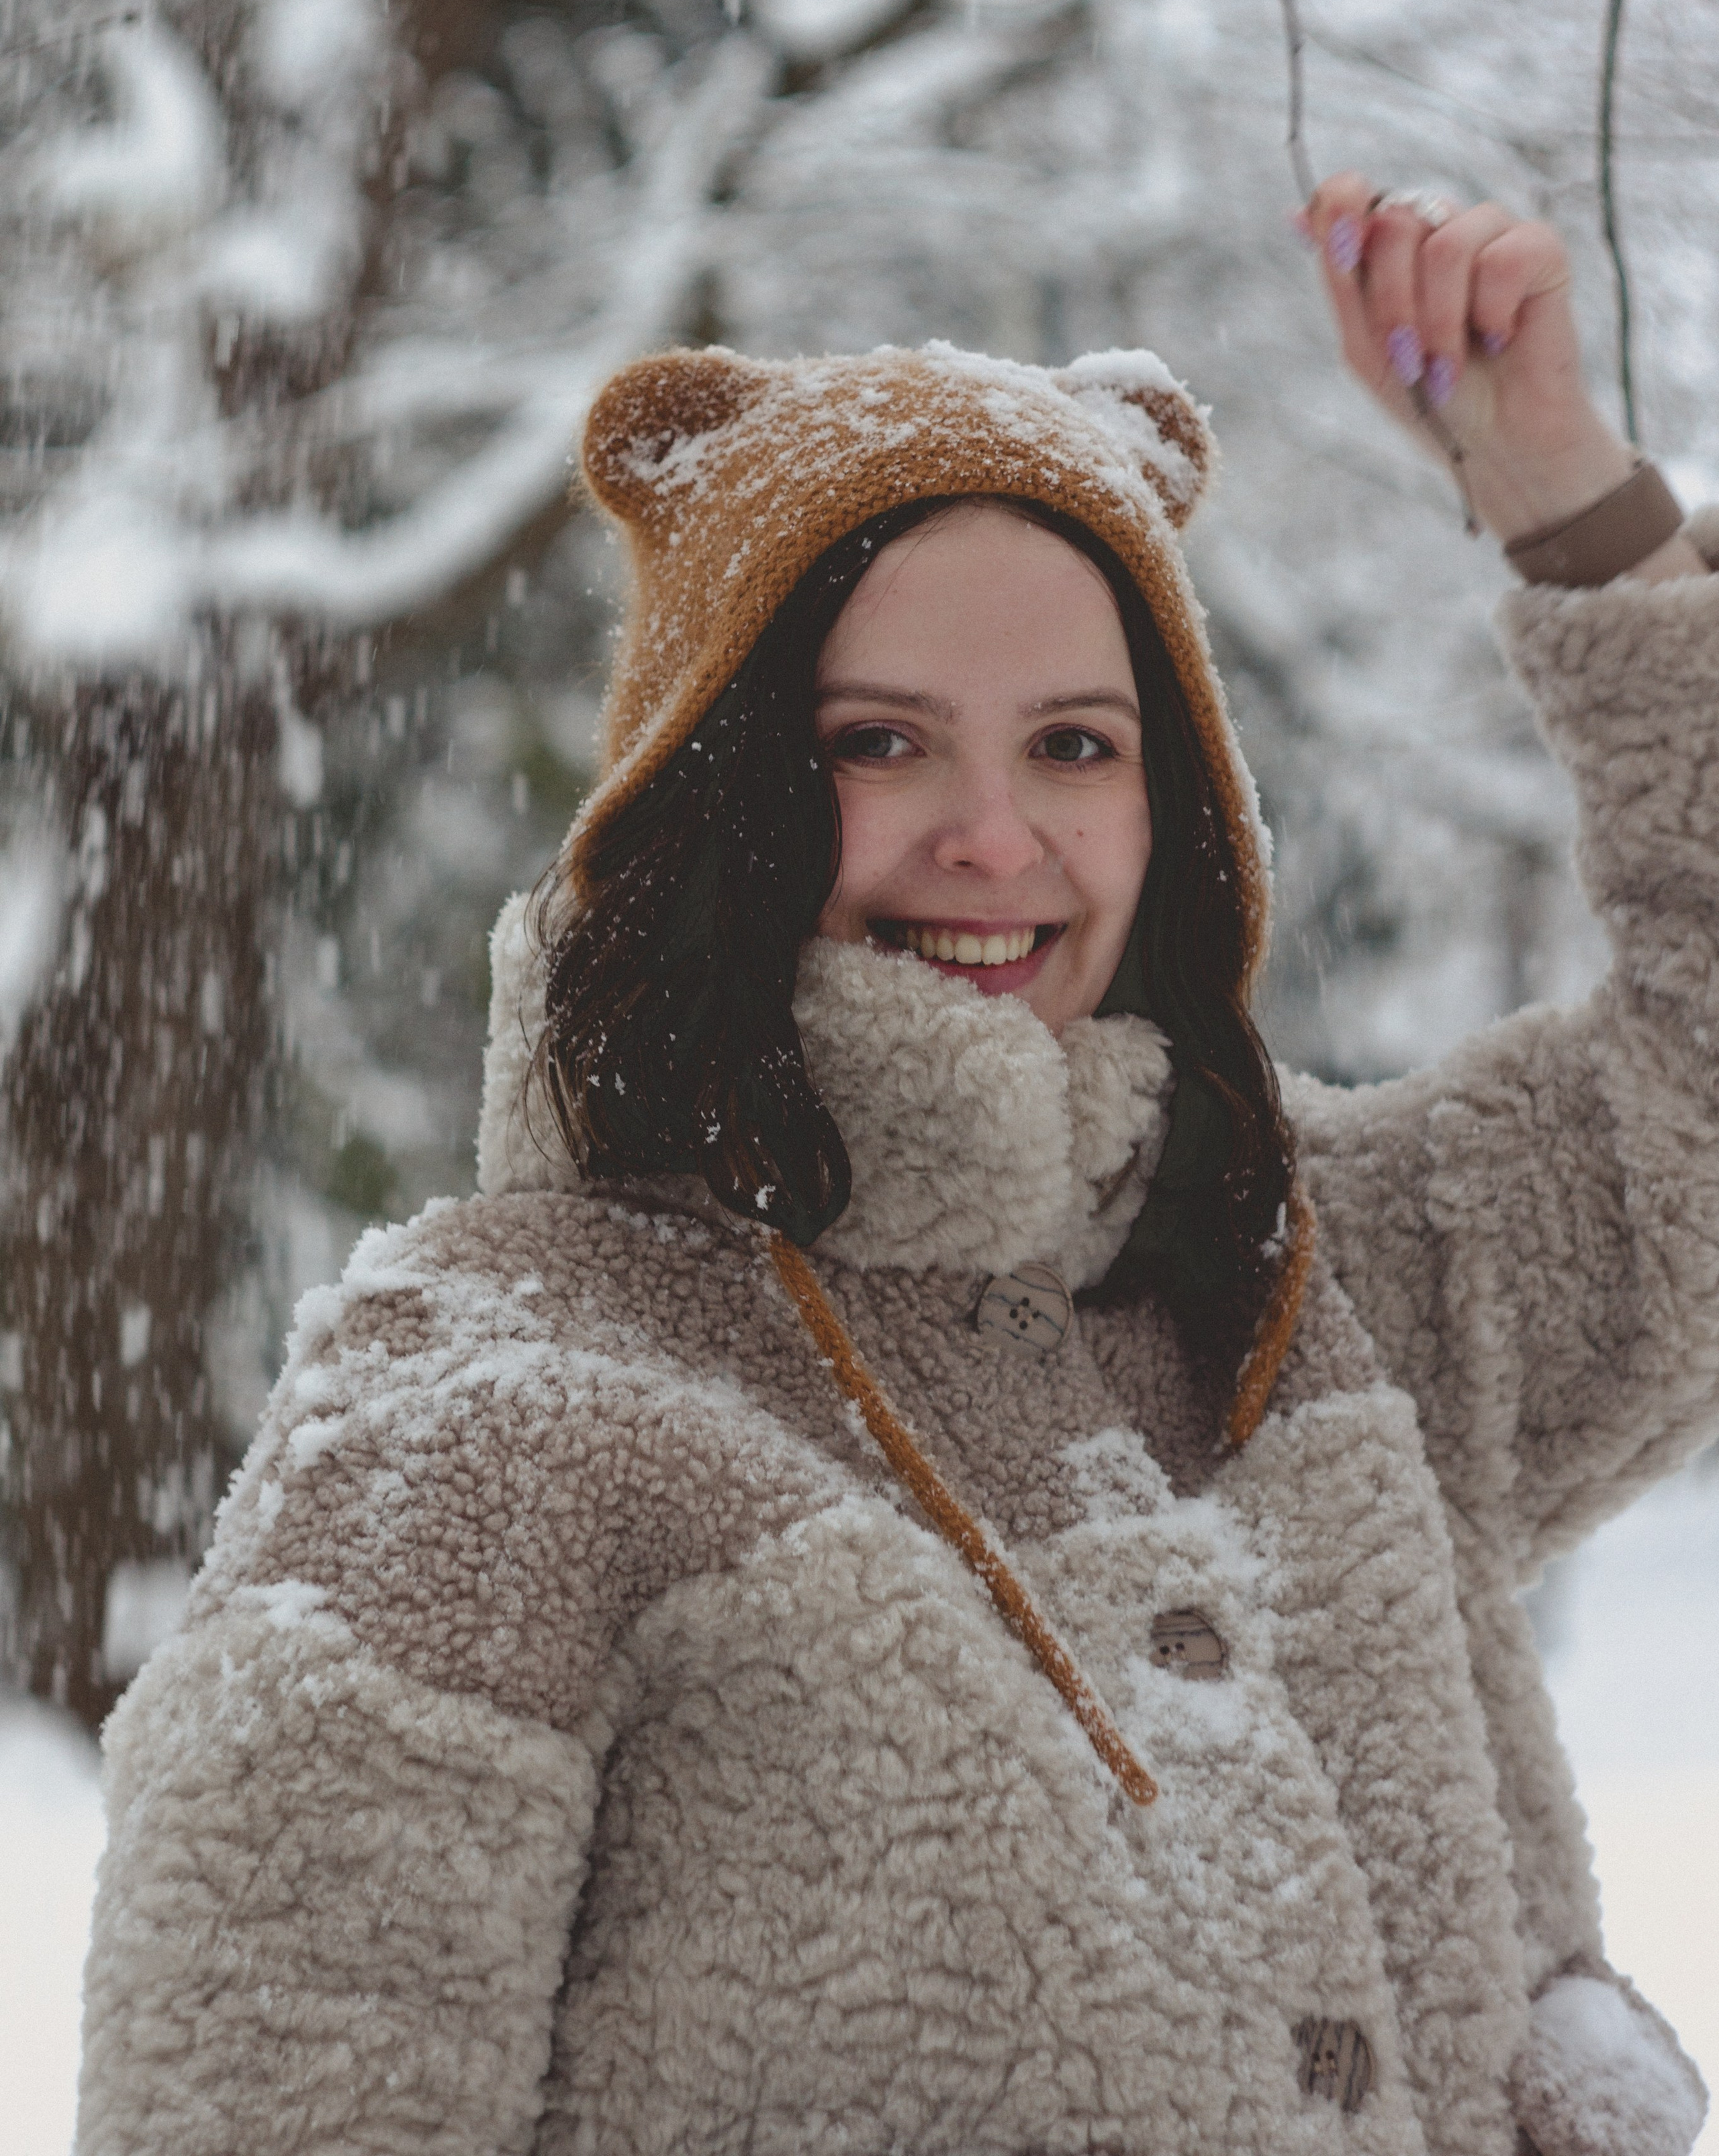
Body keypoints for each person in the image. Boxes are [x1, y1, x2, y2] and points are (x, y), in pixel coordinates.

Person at [75, 176, 1716, 2156]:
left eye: (1078, 747)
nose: (995, 838)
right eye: (879, 742)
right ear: (716, 788)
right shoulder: (482, 1417)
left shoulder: (1314, 1277)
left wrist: (1572, 504)